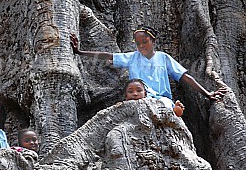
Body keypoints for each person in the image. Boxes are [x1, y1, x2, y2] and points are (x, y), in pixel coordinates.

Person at [70, 26, 227, 107]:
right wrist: (80, 52)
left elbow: (185, 77)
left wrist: (207, 94)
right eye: (138, 43)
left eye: (145, 42)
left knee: (166, 106)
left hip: (161, 100)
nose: (141, 46)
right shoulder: (132, 57)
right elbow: (108, 56)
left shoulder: (163, 58)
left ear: (153, 41)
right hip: (139, 99)